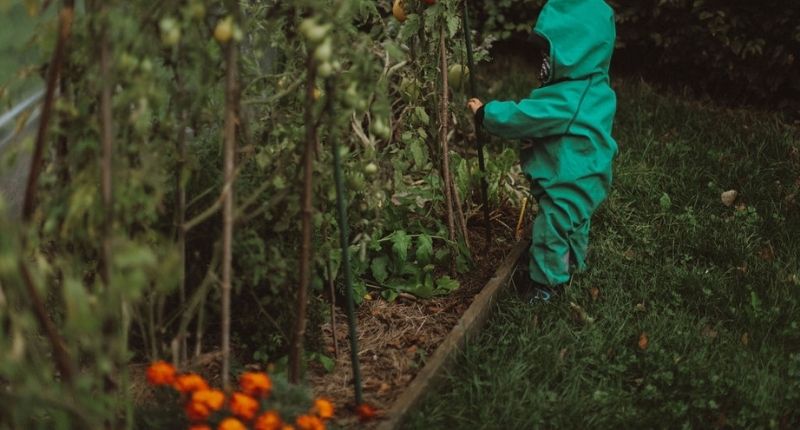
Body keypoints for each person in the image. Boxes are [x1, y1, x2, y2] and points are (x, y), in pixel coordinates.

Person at [467, 0, 617, 300]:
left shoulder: (568, 98)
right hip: (588, 175)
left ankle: (546, 286)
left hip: (568, 179)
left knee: (550, 228)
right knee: (572, 222)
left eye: (551, 53)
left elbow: (527, 116)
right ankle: (573, 260)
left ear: (578, 50)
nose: (543, 61)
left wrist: (487, 114)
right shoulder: (596, 87)